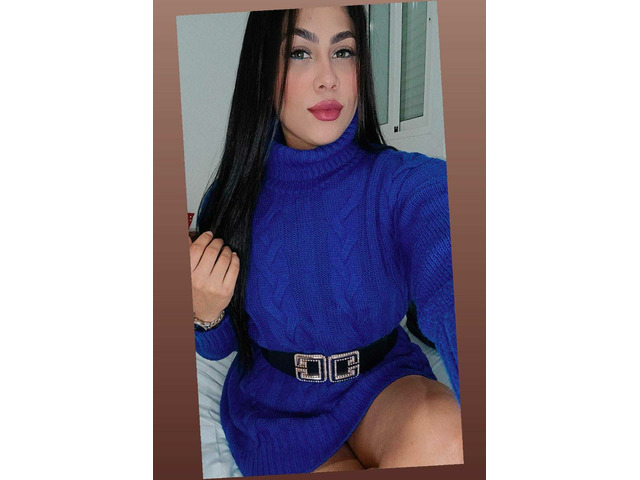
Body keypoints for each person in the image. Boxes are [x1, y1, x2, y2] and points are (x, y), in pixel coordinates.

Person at [189, 6, 462, 475]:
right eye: (300, 52)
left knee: (448, 437)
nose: (328, 78)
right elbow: (218, 346)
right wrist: (204, 312)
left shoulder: (398, 184)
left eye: (343, 51)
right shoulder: (231, 196)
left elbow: (450, 257)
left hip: (382, 382)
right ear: (263, 69)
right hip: (280, 408)